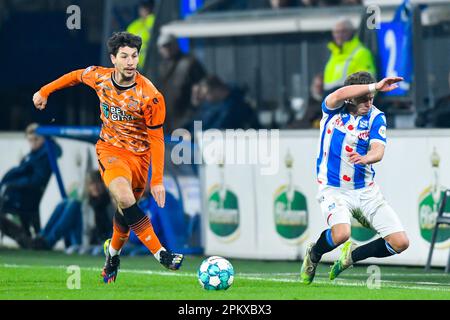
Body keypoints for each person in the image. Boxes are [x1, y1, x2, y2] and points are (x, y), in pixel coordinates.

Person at [32, 31, 184, 284]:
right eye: (124, 56)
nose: (130, 62)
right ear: (113, 58)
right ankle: (161, 253)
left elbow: (157, 139)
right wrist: (44, 91)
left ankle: (112, 256)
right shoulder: (100, 77)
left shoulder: (151, 96)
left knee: (125, 212)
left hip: (139, 158)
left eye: (134, 56)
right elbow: (74, 76)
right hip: (110, 151)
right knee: (124, 197)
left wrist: (156, 180)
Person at [300, 71, 409, 284]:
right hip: (333, 188)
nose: (369, 103)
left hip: (366, 190)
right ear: (351, 97)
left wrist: (366, 157)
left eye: (371, 99)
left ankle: (352, 256)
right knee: (341, 234)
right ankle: (314, 253)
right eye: (364, 98)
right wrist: (375, 86)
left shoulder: (376, 117)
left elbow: (378, 151)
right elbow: (340, 93)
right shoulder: (332, 110)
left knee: (400, 242)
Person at [0, 123, 61, 246]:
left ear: (43, 139)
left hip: (25, 198)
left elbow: (36, 180)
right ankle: (25, 238)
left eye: (36, 139)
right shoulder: (32, 155)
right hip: (18, 196)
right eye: (30, 140)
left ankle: (25, 239)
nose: (33, 143)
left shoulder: (44, 155)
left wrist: (11, 184)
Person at [32, 170, 114, 253]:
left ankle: (48, 242)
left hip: (90, 241)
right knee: (65, 202)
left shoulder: (109, 203)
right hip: (83, 235)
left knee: (74, 204)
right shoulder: (88, 203)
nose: (95, 187)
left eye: (98, 183)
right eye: (92, 184)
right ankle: (42, 236)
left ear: (104, 184)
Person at [157, 33, 206, 134]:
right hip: (167, 119)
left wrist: (194, 107)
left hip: (186, 117)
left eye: (169, 45)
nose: (167, 49)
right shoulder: (162, 66)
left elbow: (203, 85)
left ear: (176, 45)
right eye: (163, 47)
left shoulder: (190, 63)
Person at [183, 75, 258, 137]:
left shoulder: (234, 106)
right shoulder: (211, 104)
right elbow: (197, 122)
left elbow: (217, 130)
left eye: (207, 94)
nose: (205, 98)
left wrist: (193, 136)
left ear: (217, 90)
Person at [323, 18, 376, 95]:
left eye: (343, 31)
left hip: (349, 101)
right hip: (332, 101)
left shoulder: (361, 52)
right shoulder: (334, 54)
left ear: (351, 32)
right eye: (336, 32)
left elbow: (368, 84)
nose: (339, 35)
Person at [126, 0, 155, 71]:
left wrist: (150, 18)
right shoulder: (133, 26)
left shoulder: (154, 21)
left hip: (153, 63)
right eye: (143, 7)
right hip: (137, 65)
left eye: (148, 7)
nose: (145, 10)